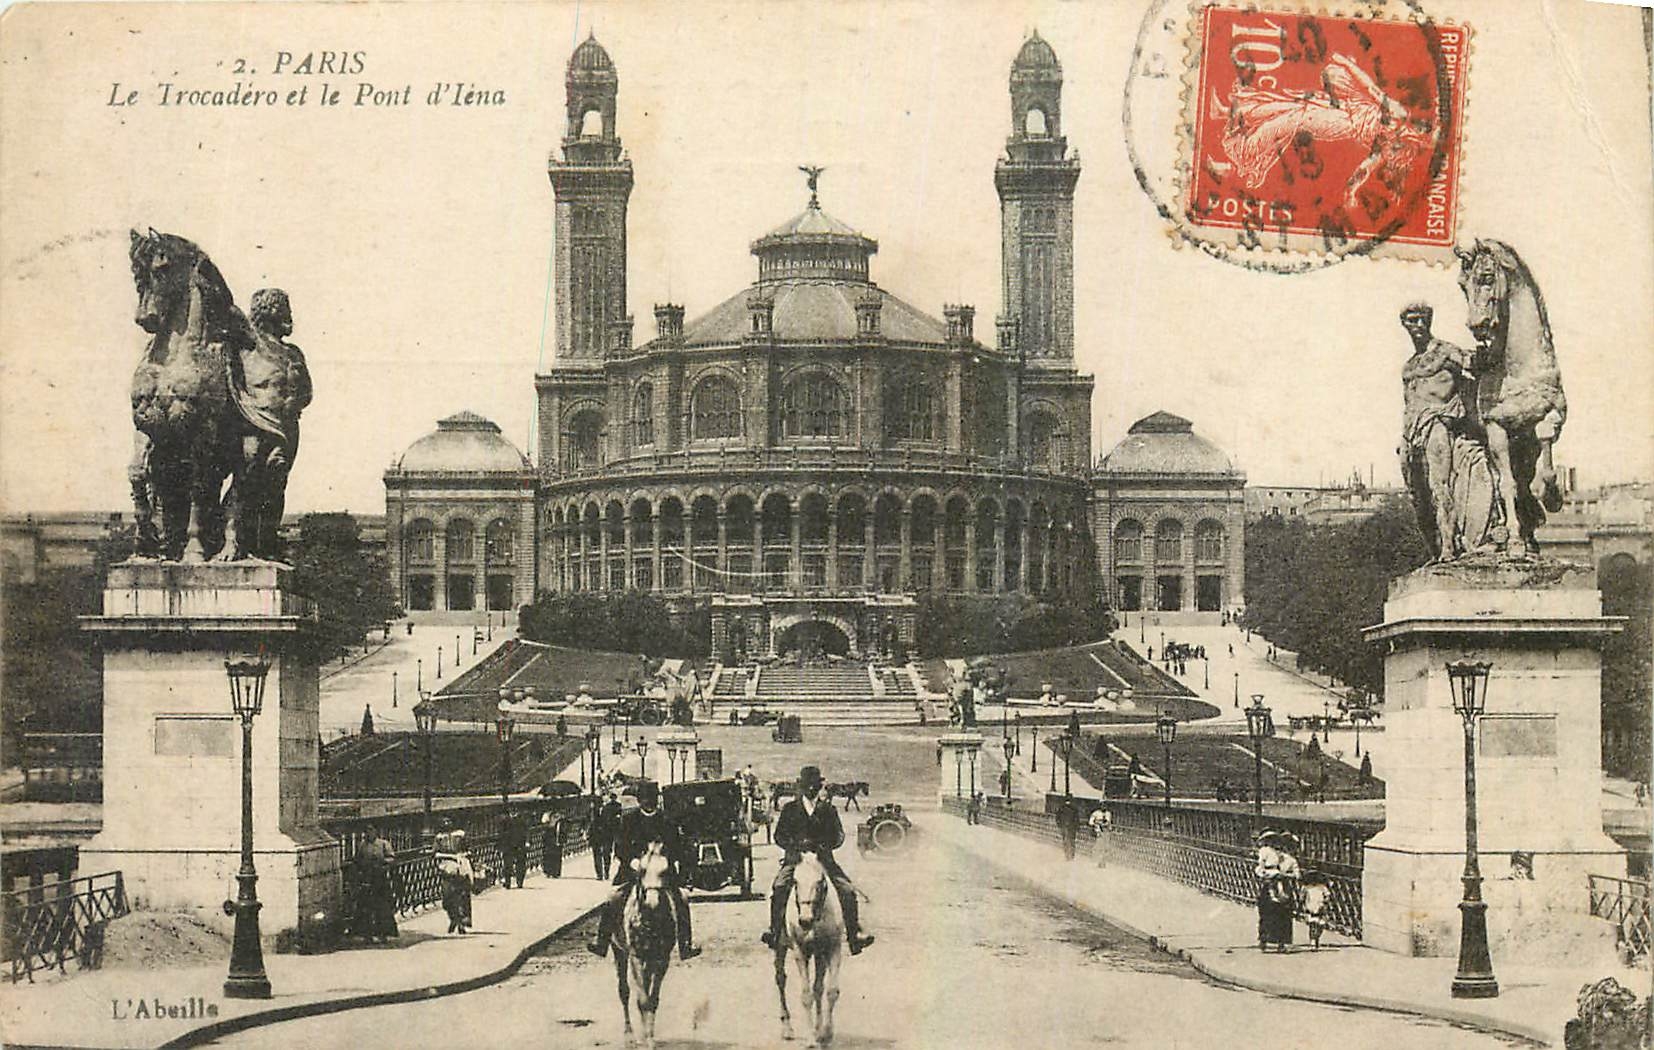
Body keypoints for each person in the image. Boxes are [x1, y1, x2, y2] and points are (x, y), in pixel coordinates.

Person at [763, 765, 875, 955]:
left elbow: (838, 836)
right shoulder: (790, 809)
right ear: (801, 786)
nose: (811, 789)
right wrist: (795, 846)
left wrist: (824, 846)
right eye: (808, 785)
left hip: (823, 859)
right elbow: (779, 836)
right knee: (779, 887)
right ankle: (775, 932)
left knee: (847, 890)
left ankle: (854, 935)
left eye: (815, 785)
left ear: (819, 786)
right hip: (796, 859)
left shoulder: (828, 809)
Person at [587, 781, 701, 961]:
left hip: (662, 874)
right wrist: (632, 860)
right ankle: (602, 942)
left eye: (652, 800)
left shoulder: (667, 821)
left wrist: (670, 861)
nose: (649, 804)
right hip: (633, 872)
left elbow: (678, 848)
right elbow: (620, 846)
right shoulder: (629, 819)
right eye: (645, 800)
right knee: (612, 898)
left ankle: (685, 945)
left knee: (682, 900)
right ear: (639, 801)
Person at [352, 824, 399, 942]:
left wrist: (383, 863)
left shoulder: (383, 844)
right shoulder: (362, 845)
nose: (369, 833)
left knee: (382, 908)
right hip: (367, 879)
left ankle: (383, 933)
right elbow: (357, 860)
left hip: (380, 879)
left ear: (376, 832)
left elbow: (392, 858)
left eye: (371, 831)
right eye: (367, 831)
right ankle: (367, 934)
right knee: (365, 908)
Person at [434, 822, 474, 934]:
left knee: (462, 896)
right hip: (447, 869)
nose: (447, 824)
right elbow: (436, 853)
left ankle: (461, 922)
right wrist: (450, 856)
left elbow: (470, 850)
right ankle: (454, 919)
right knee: (447, 898)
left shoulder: (461, 834)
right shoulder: (439, 837)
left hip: (461, 868)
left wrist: (463, 855)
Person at [590, 791, 621, 880]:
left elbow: (616, 820)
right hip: (595, 834)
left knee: (607, 853)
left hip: (607, 833)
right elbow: (590, 820)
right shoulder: (594, 808)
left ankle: (606, 871)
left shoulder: (612, 807)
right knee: (596, 854)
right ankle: (599, 873)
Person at [1300, 870, 1331, 950]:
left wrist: (1325, 901)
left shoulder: (1322, 887)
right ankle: (1313, 941)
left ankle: (1316, 937)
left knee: (1321, 925)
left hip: (1320, 907)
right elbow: (1301, 898)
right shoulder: (1306, 888)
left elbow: (1327, 895)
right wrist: (1303, 906)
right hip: (1310, 907)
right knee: (1312, 925)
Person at [499, 811, 527, 889]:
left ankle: (519, 881)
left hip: (518, 844)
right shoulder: (505, 821)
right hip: (509, 845)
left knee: (520, 863)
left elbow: (526, 832)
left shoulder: (521, 820)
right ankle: (508, 882)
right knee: (508, 864)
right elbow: (501, 834)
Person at [541, 811, 563, 878]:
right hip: (550, 837)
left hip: (554, 836)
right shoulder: (547, 815)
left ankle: (553, 871)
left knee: (553, 854)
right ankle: (552, 871)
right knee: (551, 855)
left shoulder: (557, 817)